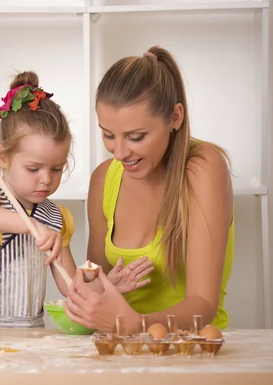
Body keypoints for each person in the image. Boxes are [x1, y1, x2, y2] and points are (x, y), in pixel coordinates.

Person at [0, 72, 153, 329]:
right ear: (2, 157)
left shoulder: (56, 218)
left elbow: (69, 285)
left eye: (56, 169)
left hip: (28, 333)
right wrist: (31, 227)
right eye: (33, 169)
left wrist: (108, 285)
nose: (46, 180)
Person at [65, 46, 234, 333]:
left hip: (190, 351)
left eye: (136, 136)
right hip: (118, 350)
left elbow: (203, 303)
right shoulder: (104, 179)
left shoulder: (203, 169)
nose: (119, 152)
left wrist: (136, 324)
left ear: (175, 118)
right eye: (108, 135)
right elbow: (98, 282)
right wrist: (80, 280)